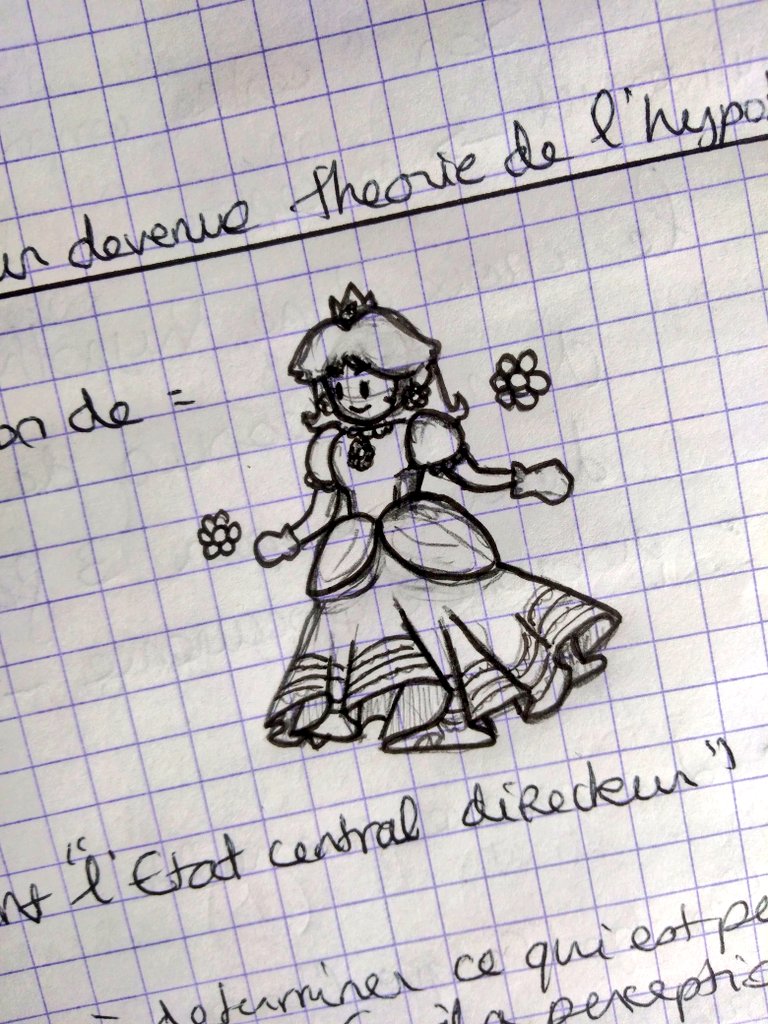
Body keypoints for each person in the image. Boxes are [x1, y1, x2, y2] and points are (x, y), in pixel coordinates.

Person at [254, 284, 620, 752]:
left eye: (365, 385)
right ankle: (413, 719)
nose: (354, 398)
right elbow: (324, 512)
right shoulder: (330, 447)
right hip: (355, 558)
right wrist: (291, 540)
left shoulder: (419, 432)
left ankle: (460, 709)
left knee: (450, 618)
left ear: (400, 380)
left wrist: (525, 481)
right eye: (339, 388)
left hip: (418, 544)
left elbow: (471, 477)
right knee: (366, 632)